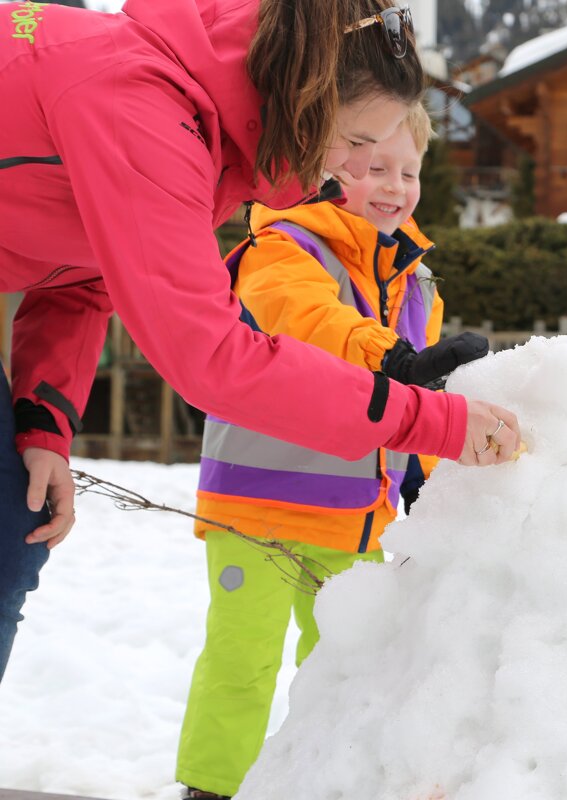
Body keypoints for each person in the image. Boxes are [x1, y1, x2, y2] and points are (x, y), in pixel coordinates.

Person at [0, 0, 519, 684]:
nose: (348, 172)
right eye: (356, 143)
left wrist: (43, 420)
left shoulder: (205, 135)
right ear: (307, 97)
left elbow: (87, 274)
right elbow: (212, 357)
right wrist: (431, 422)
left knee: (14, 535)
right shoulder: (141, 110)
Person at [174, 103, 476, 800]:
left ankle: (321, 785)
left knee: (344, 665)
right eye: (374, 168)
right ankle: (213, 789)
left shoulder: (415, 282)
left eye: (408, 170)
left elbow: (415, 406)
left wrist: (427, 486)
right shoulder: (283, 248)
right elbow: (310, 321)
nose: (395, 186)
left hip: (354, 514)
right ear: (323, 169)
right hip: (256, 505)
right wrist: (392, 359)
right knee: (242, 658)